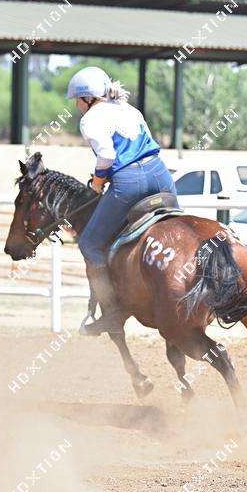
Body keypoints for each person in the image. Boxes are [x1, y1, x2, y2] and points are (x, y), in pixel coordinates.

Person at [66, 66, 177, 336]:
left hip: (129, 183)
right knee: (178, 229)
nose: (77, 106)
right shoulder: (129, 109)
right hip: (161, 175)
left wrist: (97, 183)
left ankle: (111, 313)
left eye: (78, 100)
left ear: (88, 98)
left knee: (90, 244)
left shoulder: (89, 119)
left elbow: (106, 156)